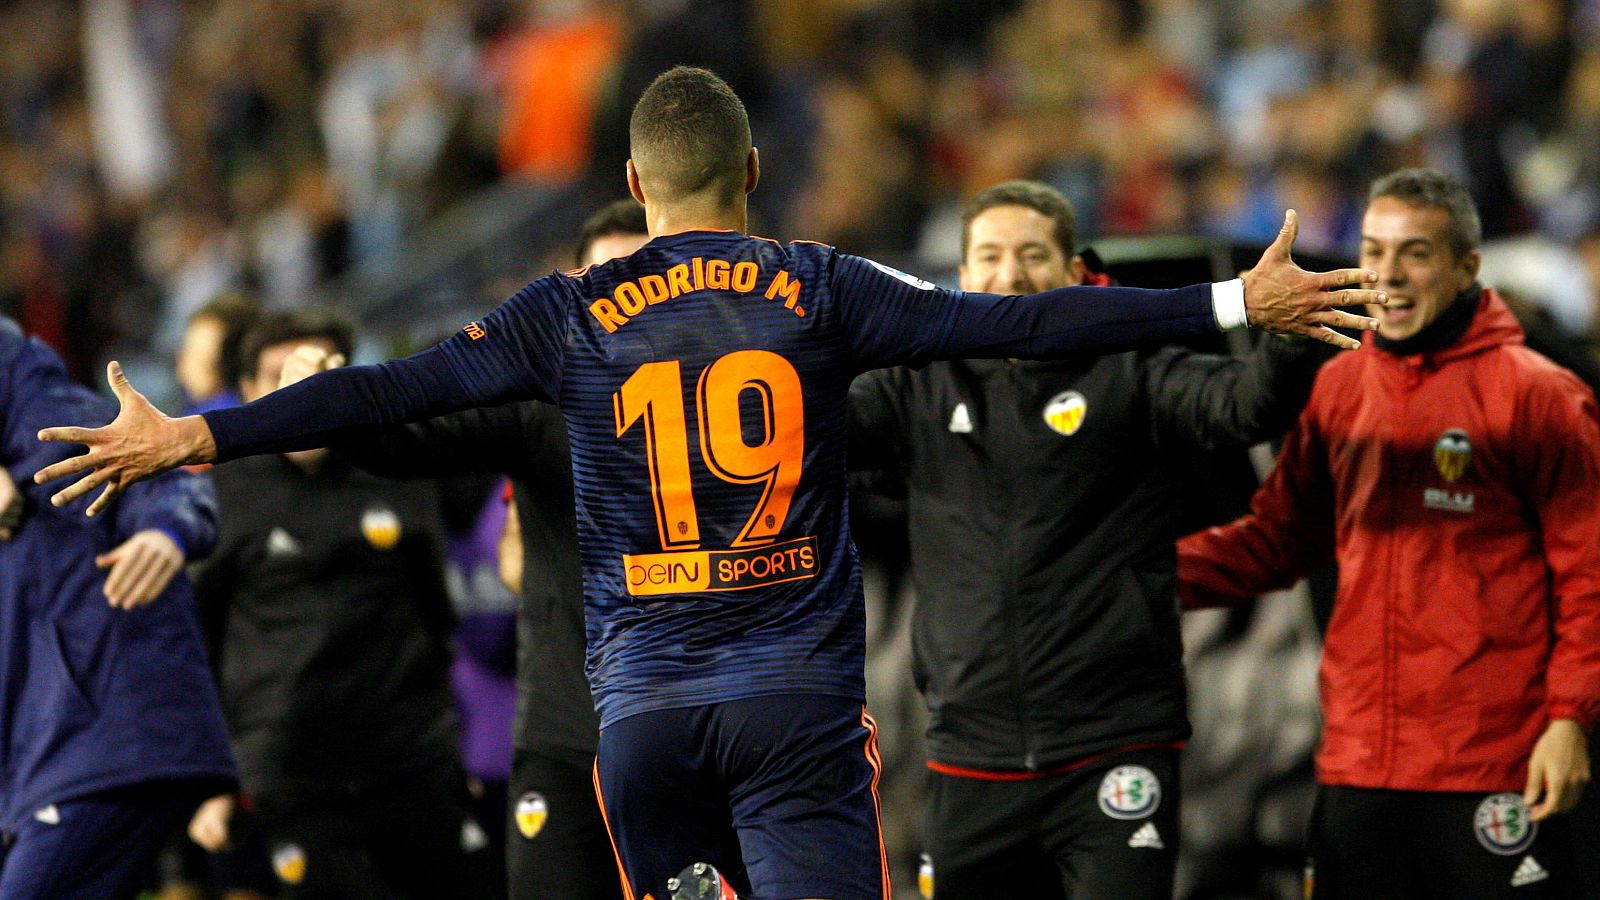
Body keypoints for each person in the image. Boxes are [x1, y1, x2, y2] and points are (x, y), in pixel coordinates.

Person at [34, 66, 1387, 900]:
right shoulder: (817, 284)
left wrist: (198, 434)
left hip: (643, 730)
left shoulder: (567, 314)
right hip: (791, 711)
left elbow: (384, 391)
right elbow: (1022, 327)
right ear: (751, 173)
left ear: (633, 182)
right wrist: (1224, 298)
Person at [848, 179, 1336, 899]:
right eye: (988, 257)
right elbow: (811, 431)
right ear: (960, 277)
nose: (1009, 275)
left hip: (1115, 750)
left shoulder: (1130, 368)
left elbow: (1241, 406)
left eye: (1031, 255)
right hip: (967, 759)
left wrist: (1287, 340)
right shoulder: (914, 389)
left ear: (1078, 273)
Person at [1177, 168, 1600, 899]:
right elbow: (1277, 539)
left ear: (1467, 267)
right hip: (1359, 767)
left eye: (1415, 254)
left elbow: (1589, 575)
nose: (1388, 276)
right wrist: (1133, 573)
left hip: (1492, 764)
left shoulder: (1541, 396)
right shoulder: (1340, 387)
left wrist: (1570, 720)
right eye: (1373, 252)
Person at [284, 199, 646, 900]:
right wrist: (327, 399)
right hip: (561, 738)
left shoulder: (731, 418)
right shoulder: (540, 400)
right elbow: (412, 435)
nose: (629, 300)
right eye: (610, 279)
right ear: (575, 282)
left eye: (644, 274)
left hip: (682, 735)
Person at [183, 312, 495, 899]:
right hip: (293, 781)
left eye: (322, 374)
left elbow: (439, 615)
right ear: (248, 392)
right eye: (280, 376)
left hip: (414, 764)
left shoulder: (403, 469)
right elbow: (194, 641)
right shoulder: (217, 497)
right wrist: (210, 778)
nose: (302, 395)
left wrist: (455, 745)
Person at [0, 315, 235, 898]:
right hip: (40, 764)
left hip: (100, 740)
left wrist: (165, 534)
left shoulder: (39, 418)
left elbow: (160, 471)